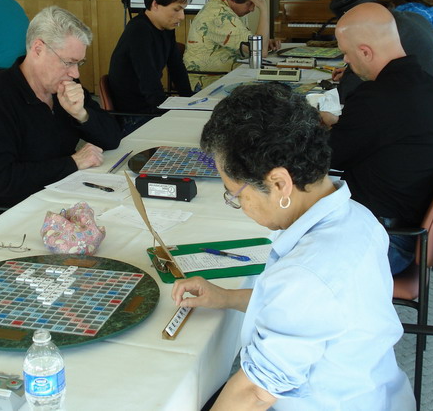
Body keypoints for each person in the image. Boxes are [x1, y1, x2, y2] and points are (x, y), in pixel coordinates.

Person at [172, 82, 415, 410]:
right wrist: (225, 297)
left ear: (279, 183)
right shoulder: (359, 218)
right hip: (374, 390)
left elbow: (254, 393)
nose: (238, 204)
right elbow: (306, 310)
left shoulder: (307, 273)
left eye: (236, 194)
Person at [323, 3, 433, 275]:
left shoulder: (376, 99)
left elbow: (323, 157)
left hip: (384, 237)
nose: (346, 61)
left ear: (365, 52)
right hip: (405, 223)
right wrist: (342, 124)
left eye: (346, 54)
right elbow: (388, 133)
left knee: (277, 252)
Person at [0, 6, 122, 227]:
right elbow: (1, 181)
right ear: (38, 49)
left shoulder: (64, 85)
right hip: (14, 216)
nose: (75, 73)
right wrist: (72, 163)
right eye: (69, 62)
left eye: (79, 63)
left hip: (60, 199)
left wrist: (82, 114)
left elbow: (112, 138)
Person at [328, 0, 433, 100]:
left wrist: (353, 72)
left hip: (420, 107)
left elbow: (348, 92)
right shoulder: (408, 17)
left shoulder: (383, 31)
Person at [108, 0, 193, 134]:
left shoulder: (166, 27)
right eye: (177, 9)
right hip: (134, 115)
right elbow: (149, 82)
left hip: (149, 107)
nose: (182, 16)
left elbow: (176, 67)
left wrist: (190, 101)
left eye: (183, 10)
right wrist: (171, 113)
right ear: (155, 5)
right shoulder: (139, 31)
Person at [183, 0, 280, 91]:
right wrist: (264, 9)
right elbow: (260, 52)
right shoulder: (220, 16)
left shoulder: (225, 5)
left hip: (227, 75)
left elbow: (251, 45)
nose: (252, 9)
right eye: (250, 4)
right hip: (209, 81)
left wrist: (265, 41)